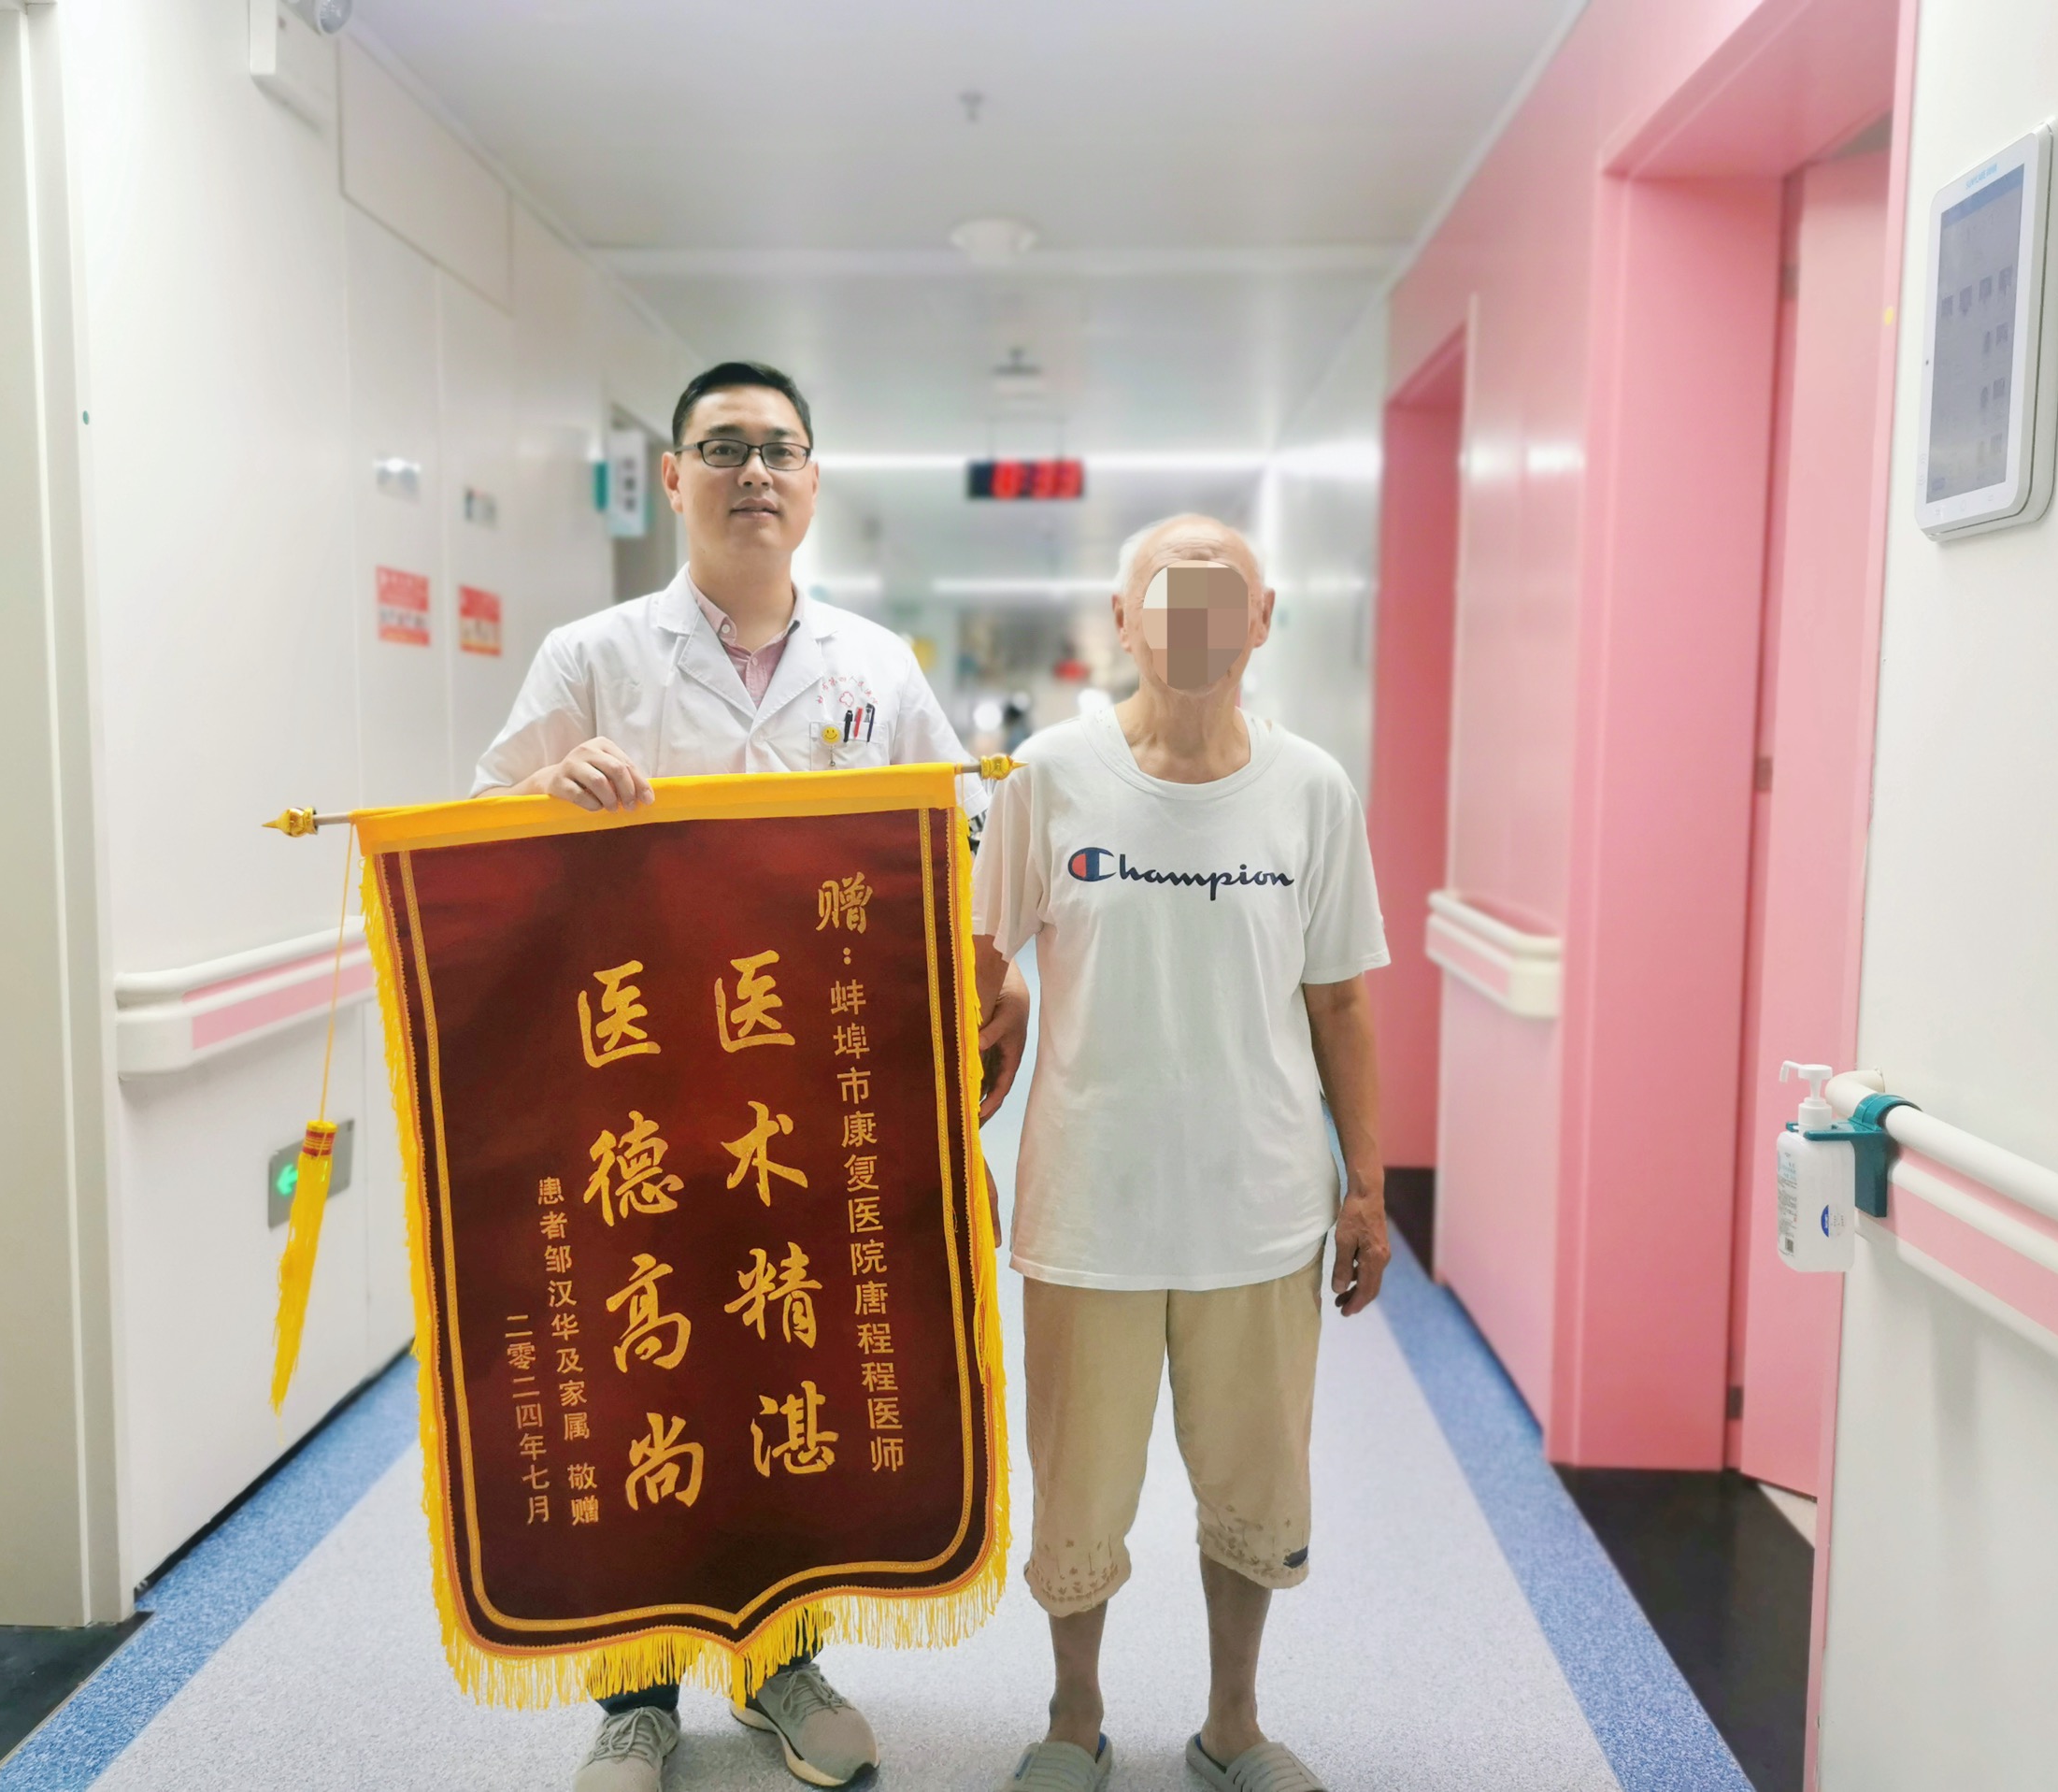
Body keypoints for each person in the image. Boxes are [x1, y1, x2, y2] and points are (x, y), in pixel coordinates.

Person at [475, 360, 1031, 1792]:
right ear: (672, 477)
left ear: (814, 480)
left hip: (803, 1109)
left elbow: (953, 855)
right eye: (721, 448)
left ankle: (782, 1662)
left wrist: (998, 982)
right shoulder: (591, 657)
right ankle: (634, 1695)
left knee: (792, 1377)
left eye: (779, 448)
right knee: (644, 1373)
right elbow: (471, 843)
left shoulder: (876, 668)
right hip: (636, 1100)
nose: (753, 472)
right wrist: (543, 794)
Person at [969, 515, 1392, 1792]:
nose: (1196, 619)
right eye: (1168, 592)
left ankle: (1232, 1724)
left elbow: (1340, 1004)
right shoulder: (1048, 775)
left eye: (1223, 596)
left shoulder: (1311, 790)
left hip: (1258, 1206)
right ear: (1122, 618)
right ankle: (1073, 1717)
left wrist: (1367, 1189)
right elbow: (977, 969)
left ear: (1260, 621)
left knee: (1254, 1484)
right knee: (1079, 1489)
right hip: (1088, 1205)